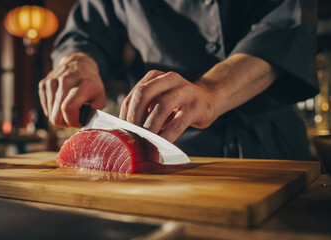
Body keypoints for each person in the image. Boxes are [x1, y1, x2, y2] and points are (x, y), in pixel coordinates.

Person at [38, 0, 318, 160]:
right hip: (167, 145)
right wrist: (77, 61)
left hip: (270, 146)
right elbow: (85, 34)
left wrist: (211, 91)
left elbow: (283, 27)